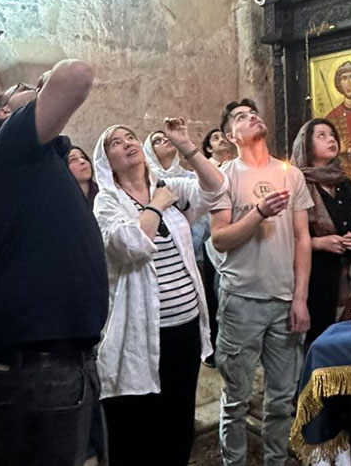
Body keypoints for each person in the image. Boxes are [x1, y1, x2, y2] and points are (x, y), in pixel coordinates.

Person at [0, 60, 109, 465]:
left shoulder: (43, 164)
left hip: (61, 362)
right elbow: (76, 75)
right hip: (37, 369)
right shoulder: (7, 146)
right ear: (4, 113)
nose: (35, 86)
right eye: (24, 87)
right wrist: (49, 81)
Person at [93, 118, 228, 465]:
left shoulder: (169, 186)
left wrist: (186, 146)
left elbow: (216, 189)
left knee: (179, 420)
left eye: (130, 136)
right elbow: (131, 244)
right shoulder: (107, 201)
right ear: (107, 162)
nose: (127, 142)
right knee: (138, 426)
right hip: (140, 332)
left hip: (185, 327)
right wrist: (156, 205)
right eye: (115, 142)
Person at [209, 98, 313, 466]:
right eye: (241, 117)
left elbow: (302, 239)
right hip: (242, 300)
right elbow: (220, 239)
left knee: (282, 399)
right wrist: (258, 213)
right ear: (230, 136)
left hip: (284, 300)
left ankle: (275, 460)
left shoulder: (291, 174)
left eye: (253, 112)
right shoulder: (225, 176)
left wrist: (300, 298)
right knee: (236, 399)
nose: (252, 116)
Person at [290, 118, 351, 349]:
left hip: (350, 280)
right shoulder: (296, 184)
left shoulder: (346, 185)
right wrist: (318, 243)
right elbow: (285, 238)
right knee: (320, 343)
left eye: (333, 136)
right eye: (322, 136)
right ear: (306, 145)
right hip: (315, 280)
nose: (331, 140)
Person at [197, 128, 237, 366]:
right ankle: (214, 348)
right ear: (208, 149)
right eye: (215, 138)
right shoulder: (205, 171)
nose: (221, 139)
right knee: (214, 294)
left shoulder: (236, 168)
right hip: (212, 240)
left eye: (223, 136)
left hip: (237, 238)